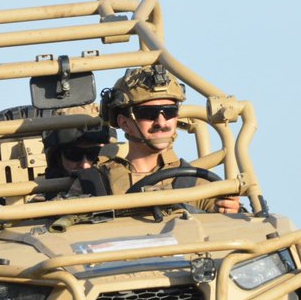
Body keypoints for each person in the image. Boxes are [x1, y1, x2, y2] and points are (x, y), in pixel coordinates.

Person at [69, 65, 241, 213]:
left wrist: (229, 210)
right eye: (148, 114)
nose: (161, 122)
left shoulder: (197, 183)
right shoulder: (95, 184)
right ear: (125, 123)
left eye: (169, 112)